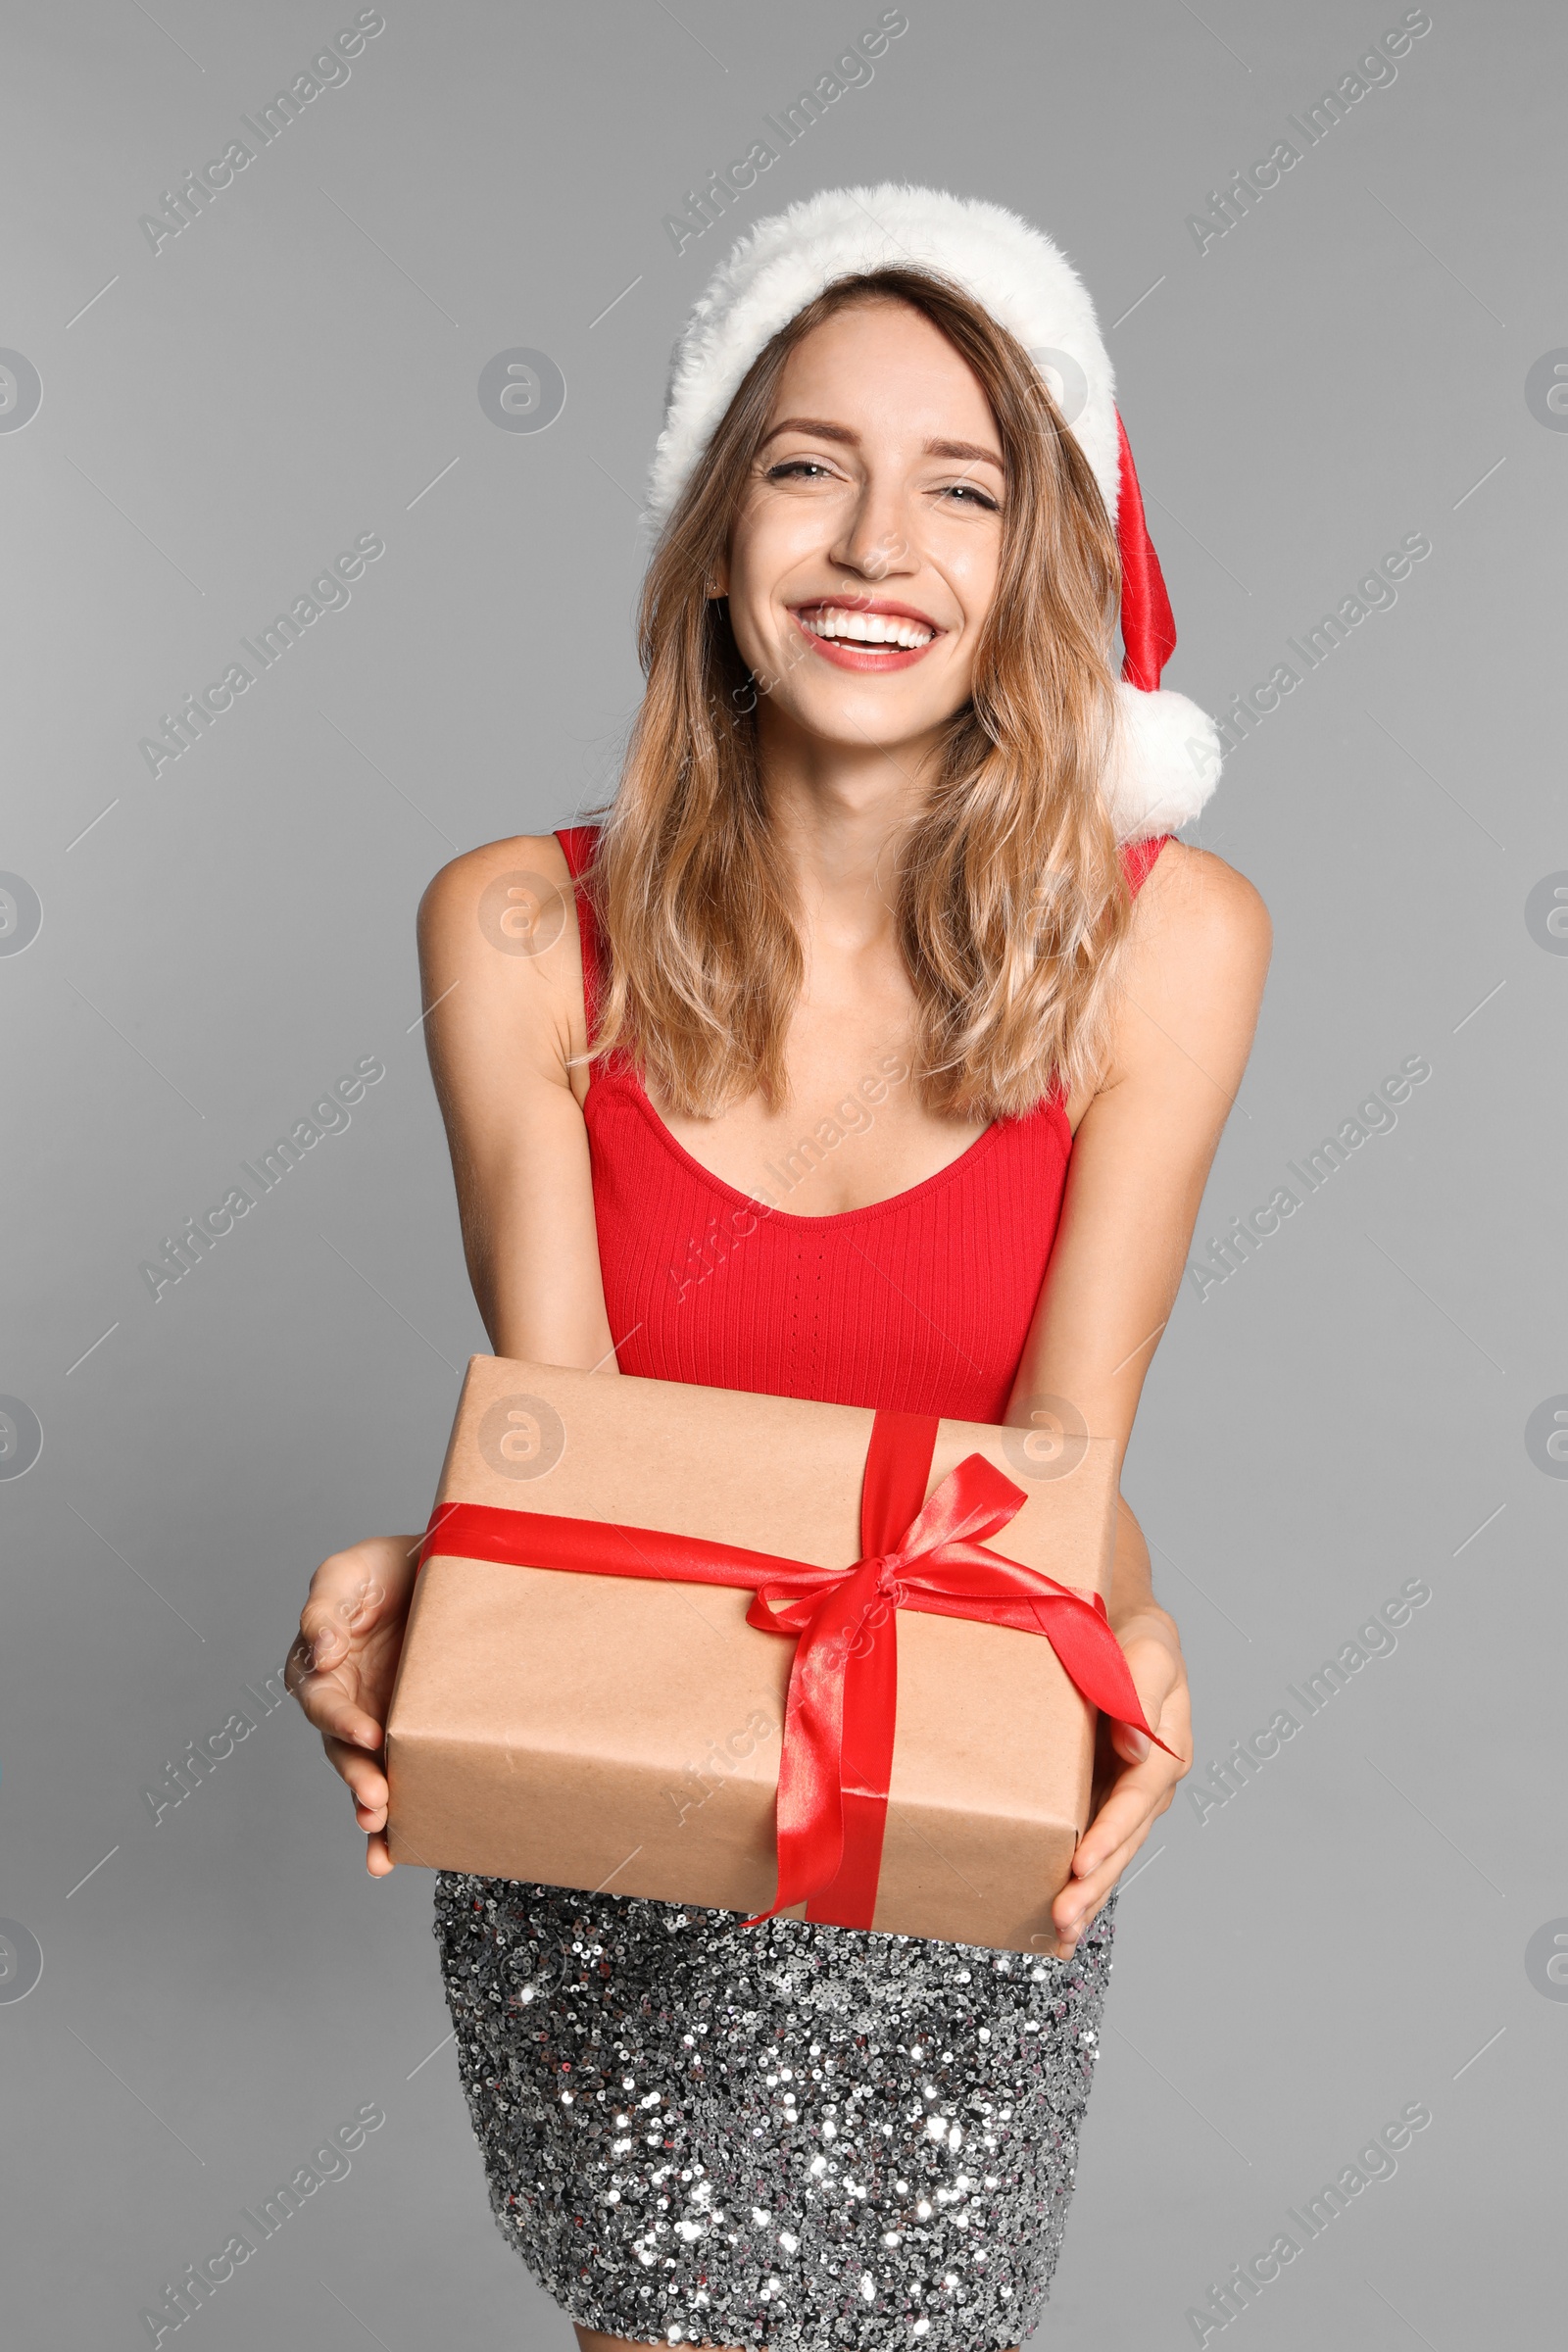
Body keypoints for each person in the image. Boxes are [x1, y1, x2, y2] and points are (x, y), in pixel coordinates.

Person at [289, 186, 1270, 2352]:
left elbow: (1063, 1449)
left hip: (964, 1749)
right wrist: (438, 1581)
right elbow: (588, 1484)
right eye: (805, 465)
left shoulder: (1168, 947)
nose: (870, 547)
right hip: (618, 1780)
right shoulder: (516, 931)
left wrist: (1121, 1630)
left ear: (1036, 570)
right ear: (714, 532)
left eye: (962, 487)